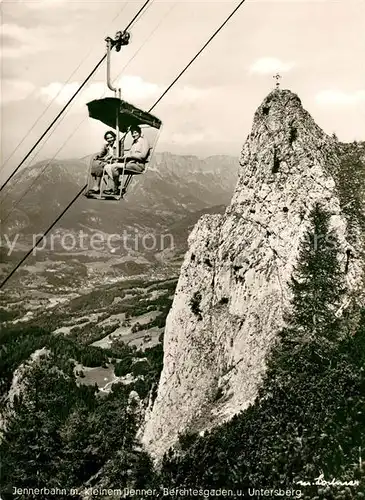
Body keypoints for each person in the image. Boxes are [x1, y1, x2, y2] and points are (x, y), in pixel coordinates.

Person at [104, 126, 150, 195]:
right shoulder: (134, 143)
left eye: (135, 132)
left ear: (140, 132)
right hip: (130, 163)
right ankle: (115, 186)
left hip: (138, 165)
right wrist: (120, 157)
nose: (134, 135)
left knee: (114, 166)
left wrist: (131, 156)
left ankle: (116, 188)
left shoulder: (144, 141)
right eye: (132, 133)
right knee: (107, 167)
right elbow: (130, 153)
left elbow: (143, 156)